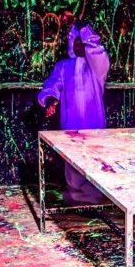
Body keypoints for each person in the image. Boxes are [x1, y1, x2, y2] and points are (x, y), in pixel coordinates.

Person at [38, 22, 110, 205]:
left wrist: (85, 30)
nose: (80, 46)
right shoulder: (64, 66)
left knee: (95, 161)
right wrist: (49, 99)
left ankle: (94, 199)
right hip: (71, 124)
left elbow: (98, 53)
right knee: (73, 163)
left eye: (83, 43)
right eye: (76, 42)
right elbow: (52, 84)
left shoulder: (96, 69)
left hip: (94, 124)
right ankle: (77, 198)